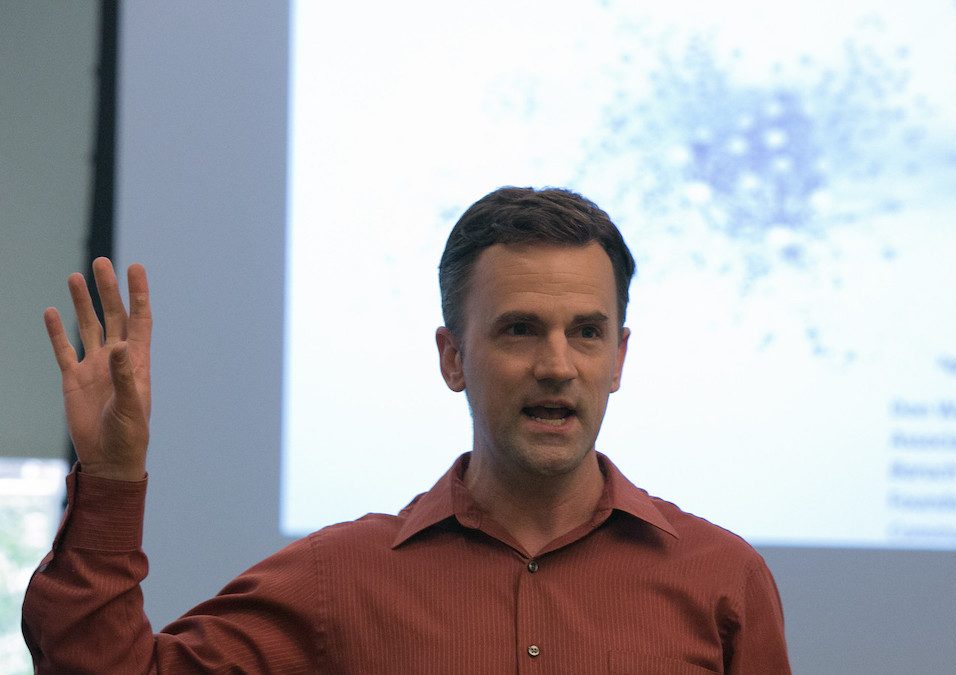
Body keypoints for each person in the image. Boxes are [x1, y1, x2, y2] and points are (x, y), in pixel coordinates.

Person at [23, 187, 791, 673]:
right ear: (452, 357)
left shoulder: (720, 580)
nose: (557, 365)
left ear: (619, 358)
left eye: (587, 332)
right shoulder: (339, 581)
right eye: (519, 329)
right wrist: (115, 476)